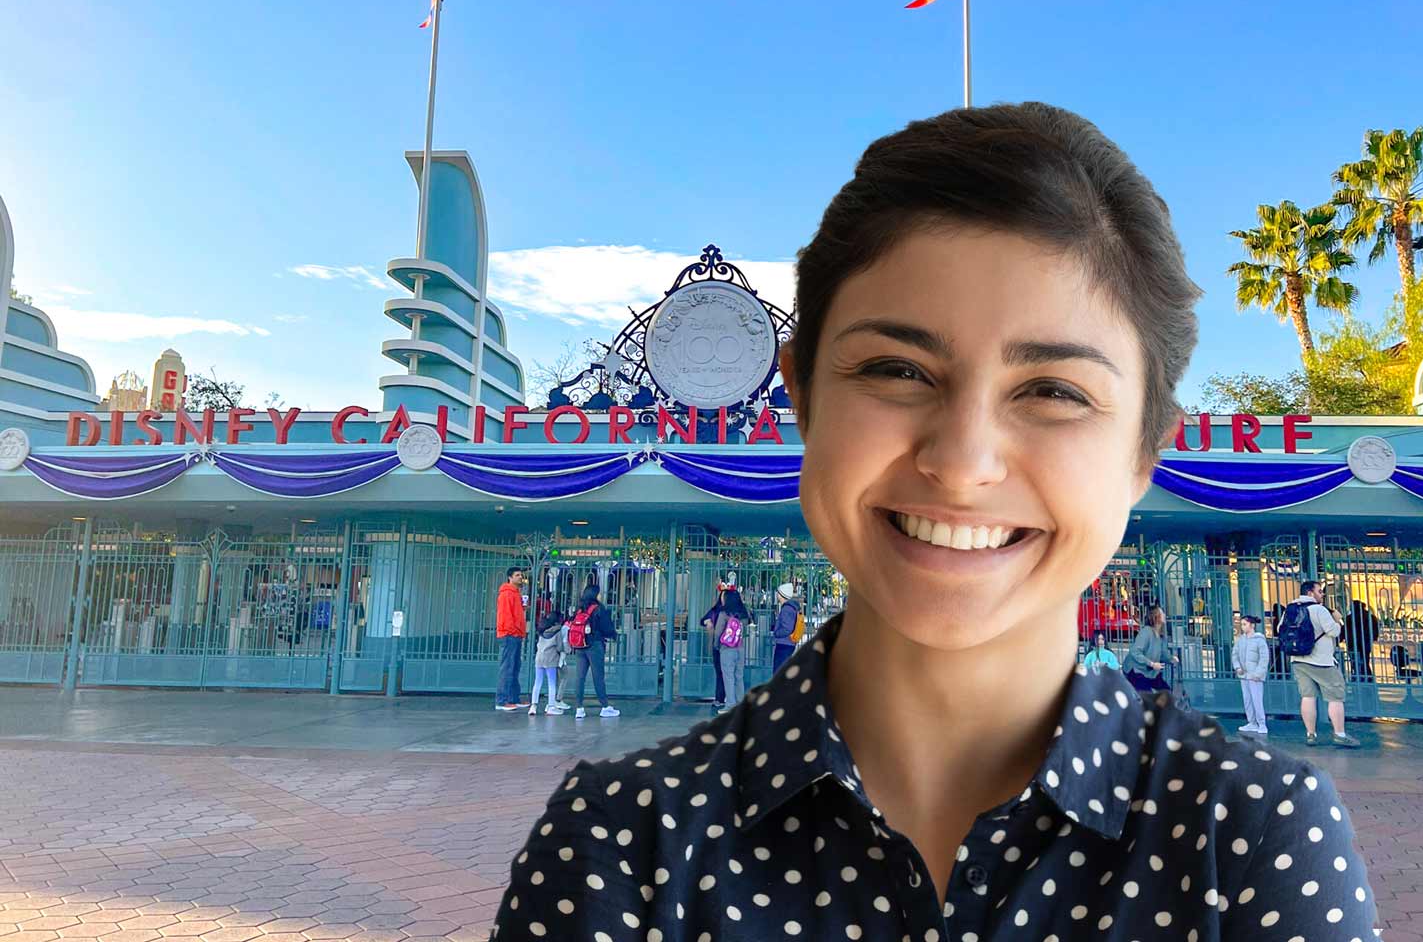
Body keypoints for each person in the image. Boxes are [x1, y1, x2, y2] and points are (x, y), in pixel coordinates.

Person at [493, 102, 1378, 939]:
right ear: (802, 397)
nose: (961, 464)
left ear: (1144, 453)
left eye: (1054, 391)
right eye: (897, 370)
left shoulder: (1249, 840)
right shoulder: (622, 845)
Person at [1284, 579, 1360, 748]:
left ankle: (1311, 734)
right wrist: (1338, 619)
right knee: (1335, 697)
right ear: (1310, 593)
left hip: (1298, 659)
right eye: (1320, 591)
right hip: (1322, 661)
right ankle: (1339, 733)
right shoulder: (1319, 610)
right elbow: (1334, 631)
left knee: (1307, 697)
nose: (1322, 594)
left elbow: (1280, 630)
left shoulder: (1290, 609)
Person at [570, 583, 619, 719]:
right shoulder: (598, 609)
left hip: (580, 645)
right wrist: (613, 635)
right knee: (598, 677)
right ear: (595, 594)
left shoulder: (580, 608)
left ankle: (579, 708)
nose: (601, 595)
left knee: (579, 677)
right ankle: (604, 706)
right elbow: (606, 627)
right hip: (594, 645)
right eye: (599, 592)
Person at [493, 566, 527, 712]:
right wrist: (514, 632)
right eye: (517, 575)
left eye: (521, 575)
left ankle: (513, 698)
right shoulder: (507, 594)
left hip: (515, 634)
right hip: (509, 635)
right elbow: (506, 617)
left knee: (514, 667)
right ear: (510, 577)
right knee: (507, 667)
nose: (520, 577)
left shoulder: (515, 594)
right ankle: (502, 701)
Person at [713, 588, 750, 713]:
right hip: (740, 648)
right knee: (739, 676)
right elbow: (744, 631)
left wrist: (716, 645)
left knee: (728, 677)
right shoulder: (744, 614)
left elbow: (718, 632)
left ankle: (730, 705)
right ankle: (740, 704)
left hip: (727, 649)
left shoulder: (724, 614)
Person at [1124, 606, 1177, 693]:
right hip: (1136, 671)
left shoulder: (1161, 635)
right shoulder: (1146, 632)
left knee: (1166, 693)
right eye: (1162, 613)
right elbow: (1135, 652)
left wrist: (1171, 659)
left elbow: (1163, 654)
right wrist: (1152, 664)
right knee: (1147, 695)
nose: (1164, 615)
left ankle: (1158, 706)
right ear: (1156, 616)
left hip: (1150, 673)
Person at [1232, 613, 1269, 735]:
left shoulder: (1259, 640)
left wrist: (1258, 673)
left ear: (1252, 625)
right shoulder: (1241, 640)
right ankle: (1252, 723)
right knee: (1247, 700)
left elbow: (1264, 658)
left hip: (1255, 676)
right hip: (1244, 675)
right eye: (1241, 624)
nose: (1242, 627)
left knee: (1256, 700)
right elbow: (1235, 654)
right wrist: (1237, 667)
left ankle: (1262, 723)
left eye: (1244, 624)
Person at [528, 608, 569, 716]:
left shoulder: (542, 630)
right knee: (551, 683)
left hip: (539, 659)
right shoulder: (557, 632)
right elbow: (560, 647)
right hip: (551, 660)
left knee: (537, 682)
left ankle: (533, 706)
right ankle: (551, 706)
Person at [699, 586, 728, 708]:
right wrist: (707, 621)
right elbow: (703, 619)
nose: (723, 598)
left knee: (729, 674)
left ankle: (728, 699)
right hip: (717, 645)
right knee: (720, 673)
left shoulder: (735, 610)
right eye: (722, 595)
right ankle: (720, 698)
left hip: (729, 646)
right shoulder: (716, 610)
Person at [1344, 598, 1380, 682]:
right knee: (1365, 659)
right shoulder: (1370, 616)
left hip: (1353, 642)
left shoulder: (1350, 618)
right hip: (1366, 642)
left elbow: (1345, 630)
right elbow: (1375, 629)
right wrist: (1374, 637)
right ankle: (1367, 676)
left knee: (1354, 660)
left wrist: (1341, 638)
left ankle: (1357, 675)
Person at [771, 580, 801, 672]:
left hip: (784, 644)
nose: (777, 595)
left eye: (778, 593)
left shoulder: (786, 609)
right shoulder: (792, 607)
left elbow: (787, 628)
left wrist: (776, 633)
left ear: (781, 595)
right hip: (788, 644)